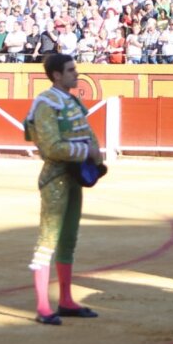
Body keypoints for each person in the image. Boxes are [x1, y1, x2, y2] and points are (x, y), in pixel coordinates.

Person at [24, 53, 103, 324]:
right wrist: (87, 151)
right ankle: (43, 306)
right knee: (47, 241)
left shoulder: (71, 101)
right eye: (71, 70)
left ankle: (66, 300)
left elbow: (88, 133)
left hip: (74, 176)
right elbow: (51, 147)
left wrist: (96, 152)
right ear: (56, 75)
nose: (76, 74)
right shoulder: (46, 103)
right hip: (55, 177)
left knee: (68, 238)